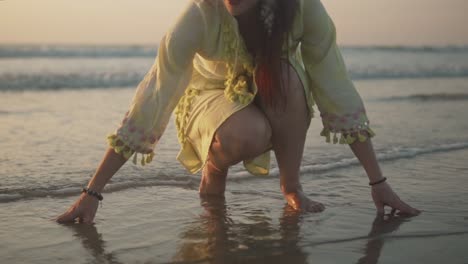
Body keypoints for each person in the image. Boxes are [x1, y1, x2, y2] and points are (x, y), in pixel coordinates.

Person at [57, 0, 420, 224]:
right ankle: (213, 171)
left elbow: (334, 83)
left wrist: (378, 182)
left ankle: (291, 186)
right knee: (250, 133)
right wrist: (92, 192)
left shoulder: (303, 8)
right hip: (209, 98)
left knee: (287, 75)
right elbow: (153, 96)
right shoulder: (200, 14)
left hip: (276, 89)